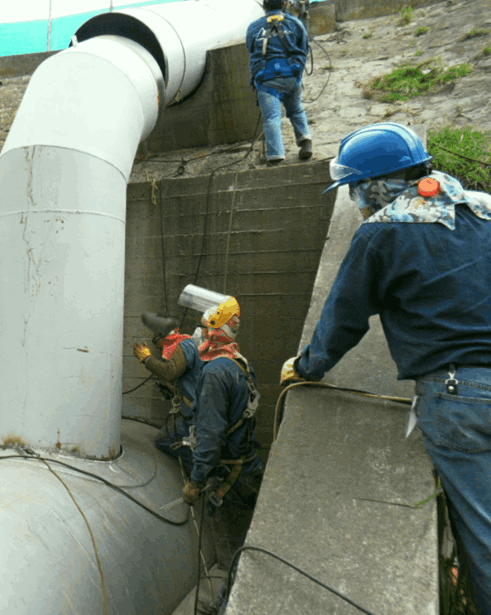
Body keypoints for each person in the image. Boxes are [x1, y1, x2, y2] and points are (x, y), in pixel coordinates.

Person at [281, 122, 491, 614]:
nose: (356, 200)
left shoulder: (382, 232)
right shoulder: (483, 207)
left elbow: (344, 317)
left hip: (459, 396)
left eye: (355, 189)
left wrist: (307, 367)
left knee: (484, 536)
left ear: (375, 184)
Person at [134, 292, 263, 560]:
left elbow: (210, 434)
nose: (201, 333)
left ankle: (227, 598)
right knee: (247, 543)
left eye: (206, 329)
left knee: (234, 550)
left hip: (228, 473)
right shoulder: (240, 362)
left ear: (217, 331)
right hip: (247, 464)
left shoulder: (214, 373)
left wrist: (196, 481)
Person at [246, 0, 312, 166]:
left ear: (264, 6)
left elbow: (251, 49)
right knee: (296, 109)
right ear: (283, 5)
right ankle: (305, 143)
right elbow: (304, 46)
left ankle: (276, 158)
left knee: (272, 118)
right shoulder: (295, 23)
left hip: (267, 80)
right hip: (291, 76)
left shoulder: (254, 27)